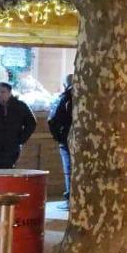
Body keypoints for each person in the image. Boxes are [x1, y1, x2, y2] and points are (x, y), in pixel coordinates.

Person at [47, 75, 74, 209]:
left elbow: (53, 120)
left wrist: (59, 136)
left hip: (66, 139)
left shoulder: (64, 98)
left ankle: (71, 200)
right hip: (81, 141)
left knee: (69, 169)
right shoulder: (86, 96)